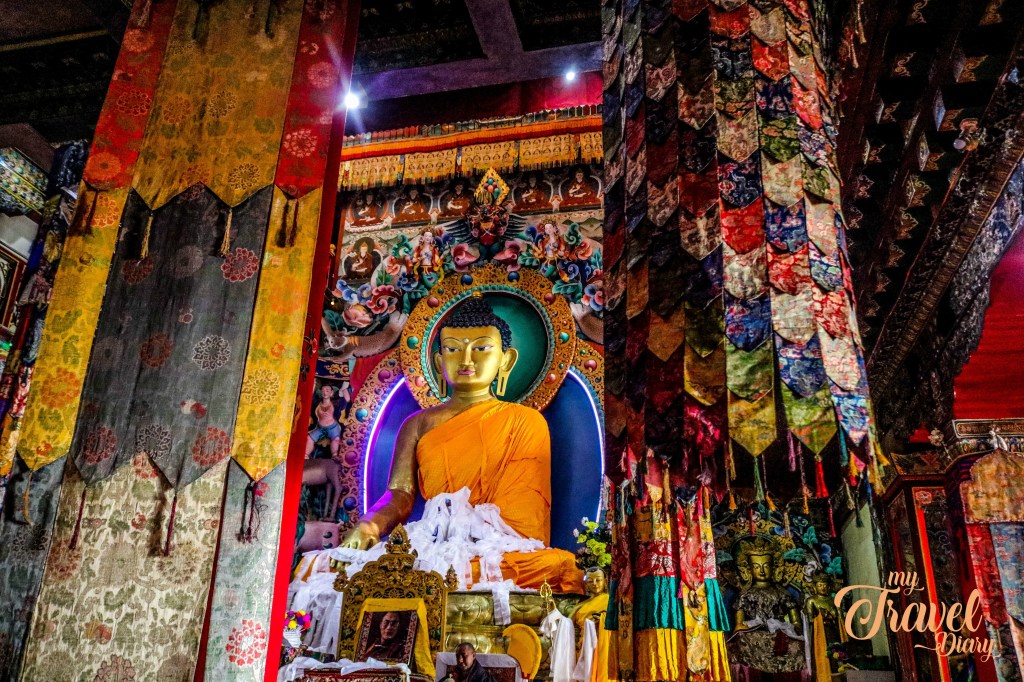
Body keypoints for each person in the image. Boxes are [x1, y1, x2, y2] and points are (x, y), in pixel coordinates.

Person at [340, 295, 583, 592]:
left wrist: (474, 529)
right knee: (324, 566)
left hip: (499, 551)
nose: (466, 360)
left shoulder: (526, 421)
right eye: (453, 349)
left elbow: (525, 522)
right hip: (434, 541)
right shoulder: (417, 424)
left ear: (506, 360)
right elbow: (400, 494)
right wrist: (371, 524)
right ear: (440, 360)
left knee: (559, 568)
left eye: (481, 348)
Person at [306, 384, 342, 458]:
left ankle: (334, 455)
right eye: (323, 391)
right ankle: (305, 455)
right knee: (309, 438)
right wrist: (313, 385)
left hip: (333, 428)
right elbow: (309, 397)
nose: (325, 393)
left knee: (336, 440)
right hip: (320, 428)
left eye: (327, 391)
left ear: (331, 393)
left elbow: (345, 399)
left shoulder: (336, 404)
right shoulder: (317, 404)